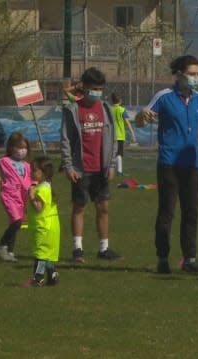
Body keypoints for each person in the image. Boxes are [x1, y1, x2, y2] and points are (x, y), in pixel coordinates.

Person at [135, 55, 198, 274]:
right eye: (192, 74)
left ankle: (190, 259)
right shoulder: (164, 97)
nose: (196, 78)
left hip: (191, 164)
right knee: (167, 212)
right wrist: (142, 116)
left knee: (191, 212)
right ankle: (162, 258)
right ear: (179, 74)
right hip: (168, 164)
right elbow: (141, 120)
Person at [61, 67, 121, 263]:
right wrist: (69, 166)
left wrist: (112, 164)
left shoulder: (106, 109)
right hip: (81, 168)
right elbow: (66, 140)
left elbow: (112, 140)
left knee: (103, 207)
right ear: (84, 87)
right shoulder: (73, 110)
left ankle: (104, 248)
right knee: (79, 207)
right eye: (94, 88)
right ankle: (77, 249)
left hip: (101, 169)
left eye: (100, 89)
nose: (97, 92)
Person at [0, 132, 32, 262]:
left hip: (22, 198)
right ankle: (1, 245)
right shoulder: (5, 161)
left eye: (24, 148)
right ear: (11, 147)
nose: (22, 151)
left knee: (16, 223)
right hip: (9, 195)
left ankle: (10, 251)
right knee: (16, 222)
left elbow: (30, 181)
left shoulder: (27, 166)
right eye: (19, 147)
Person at [23, 156, 60, 287]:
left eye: (35, 170)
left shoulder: (43, 189)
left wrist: (32, 197)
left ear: (44, 173)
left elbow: (39, 208)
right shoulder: (44, 186)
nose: (32, 173)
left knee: (40, 253)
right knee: (46, 253)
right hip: (46, 225)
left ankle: (37, 278)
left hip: (44, 227)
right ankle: (53, 276)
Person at [110, 92, 137, 177]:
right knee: (119, 154)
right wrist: (132, 133)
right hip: (119, 135)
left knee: (111, 153)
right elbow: (127, 122)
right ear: (120, 101)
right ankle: (119, 171)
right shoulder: (122, 110)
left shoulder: (109, 109)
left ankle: (110, 170)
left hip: (110, 135)